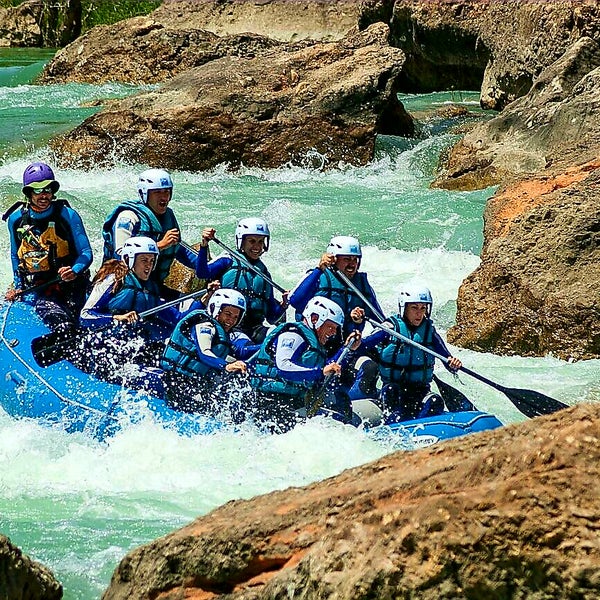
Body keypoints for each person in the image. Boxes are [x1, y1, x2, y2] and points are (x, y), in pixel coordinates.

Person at [3, 161, 92, 335]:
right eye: (37, 190)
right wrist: (19, 286)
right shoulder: (16, 220)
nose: (43, 195)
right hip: (41, 286)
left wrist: (74, 270)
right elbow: (15, 255)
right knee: (61, 325)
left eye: (47, 189)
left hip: (72, 284)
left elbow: (86, 253)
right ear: (28, 193)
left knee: (76, 324)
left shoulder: (68, 215)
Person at [250, 296, 361, 430]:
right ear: (315, 319)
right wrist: (320, 372)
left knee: (341, 402)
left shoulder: (314, 343)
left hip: (293, 402)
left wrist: (347, 350)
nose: (333, 333)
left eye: (336, 328)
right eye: (330, 327)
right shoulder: (292, 334)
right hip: (269, 401)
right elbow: (283, 367)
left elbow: (327, 369)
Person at [79, 236, 181, 377]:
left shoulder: (151, 289)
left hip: (136, 346)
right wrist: (115, 318)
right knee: (156, 378)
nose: (148, 266)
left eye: (152, 261)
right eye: (144, 260)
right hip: (106, 347)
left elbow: (177, 320)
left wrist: (203, 302)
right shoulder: (113, 280)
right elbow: (85, 316)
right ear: (128, 259)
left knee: (174, 372)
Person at [360, 284, 462, 422]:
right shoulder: (390, 328)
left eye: (423, 308)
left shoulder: (429, 332)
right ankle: (392, 425)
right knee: (391, 392)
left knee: (435, 401)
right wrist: (355, 341)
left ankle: (421, 428)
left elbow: (447, 360)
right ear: (404, 308)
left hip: (420, 391)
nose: (419, 313)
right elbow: (362, 346)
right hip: (394, 389)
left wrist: (453, 364)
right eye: (414, 308)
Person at [101, 168, 201, 300]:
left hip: (153, 286)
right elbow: (120, 256)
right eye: (157, 192)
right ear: (145, 193)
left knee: (192, 309)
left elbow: (179, 250)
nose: (164, 197)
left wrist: (206, 264)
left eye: (167, 191)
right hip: (121, 287)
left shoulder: (168, 217)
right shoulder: (128, 217)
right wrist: (159, 246)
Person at [160, 288, 259, 416]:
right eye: (228, 314)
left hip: (196, 384)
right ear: (216, 309)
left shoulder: (224, 333)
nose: (231, 320)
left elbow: (242, 351)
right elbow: (204, 353)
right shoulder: (204, 325)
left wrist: (271, 343)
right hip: (176, 380)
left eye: (235, 317)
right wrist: (226, 366)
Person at [196, 218, 288, 342]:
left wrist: (283, 305)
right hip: (228, 326)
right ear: (241, 241)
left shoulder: (265, 274)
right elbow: (202, 273)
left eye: (261, 242)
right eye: (252, 241)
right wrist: (204, 245)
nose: (257, 246)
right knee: (246, 346)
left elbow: (271, 317)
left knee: (281, 339)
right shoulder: (227, 260)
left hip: (254, 328)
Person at [288, 235, 383, 339]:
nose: (352, 264)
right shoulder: (317, 276)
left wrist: (359, 319)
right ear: (333, 260)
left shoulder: (362, 285)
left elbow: (381, 322)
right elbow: (295, 301)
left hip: (347, 346)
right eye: (347, 259)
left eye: (355, 259)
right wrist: (319, 269)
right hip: (314, 342)